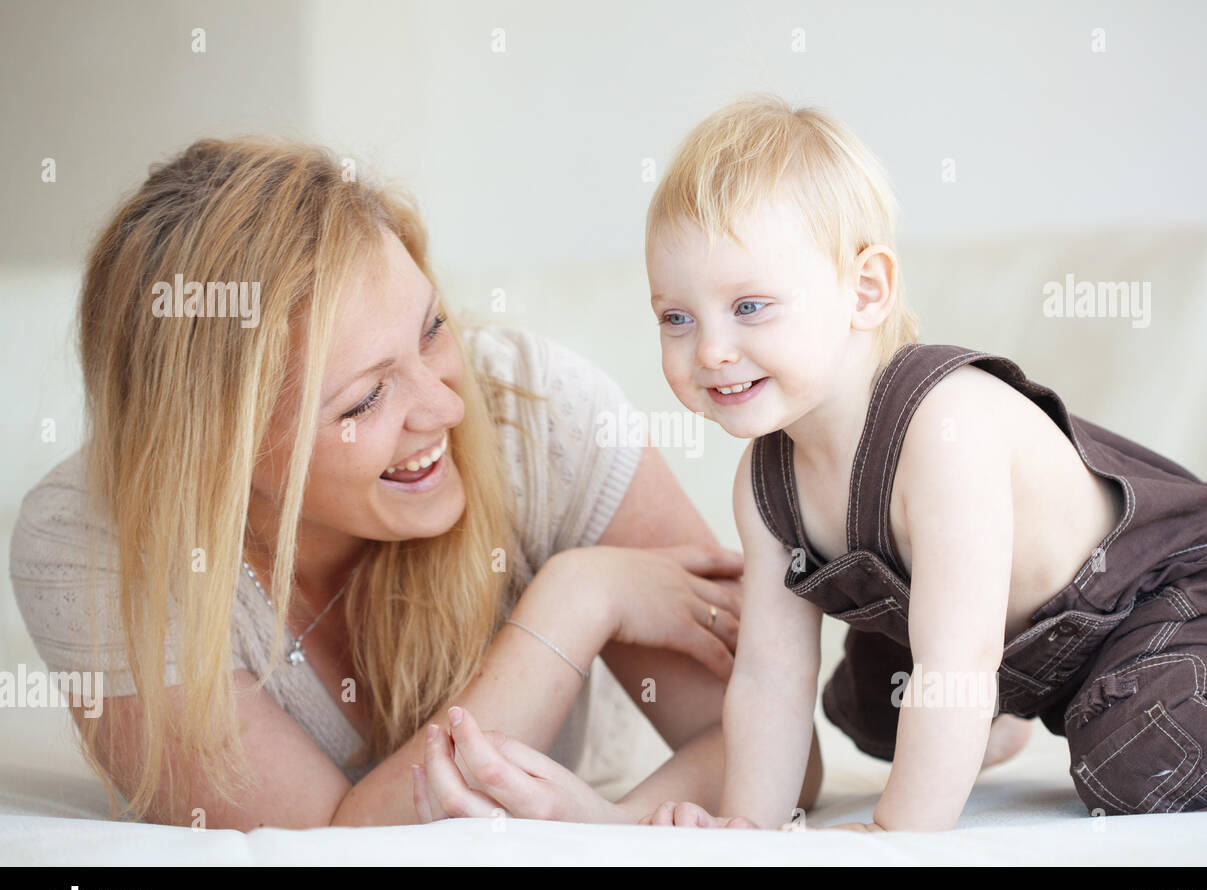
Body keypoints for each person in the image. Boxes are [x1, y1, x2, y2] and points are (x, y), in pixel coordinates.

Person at [8, 136, 824, 830]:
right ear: (220, 456)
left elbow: (787, 760)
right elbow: (339, 845)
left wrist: (607, 827)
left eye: (432, 329)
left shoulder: (540, 421)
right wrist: (575, 604)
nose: (443, 406)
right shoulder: (87, 546)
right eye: (365, 398)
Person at [622, 93, 1207, 831]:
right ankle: (1006, 716)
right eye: (676, 318)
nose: (711, 350)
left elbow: (957, 659)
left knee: (1130, 757)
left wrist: (897, 833)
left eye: (749, 306)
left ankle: (1158, 710)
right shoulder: (764, 488)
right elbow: (768, 676)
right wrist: (748, 829)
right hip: (1013, 649)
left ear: (865, 291)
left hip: (1178, 589)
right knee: (867, 706)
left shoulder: (943, 428)